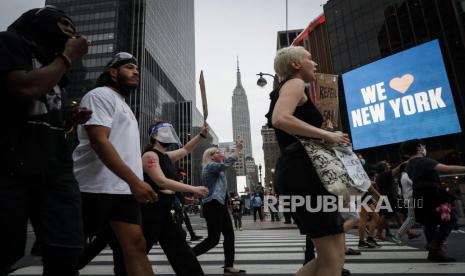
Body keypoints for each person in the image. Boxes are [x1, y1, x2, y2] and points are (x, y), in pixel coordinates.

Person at [0, 6, 90, 276]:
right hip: (9, 164)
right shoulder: (9, 43)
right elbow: (25, 87)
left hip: (54, 167)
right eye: (63, 24)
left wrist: (68, 117)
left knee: (67, 247)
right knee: (6, 247)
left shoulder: (55, 66)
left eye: (73, 26)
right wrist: (68, 56)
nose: (71, 30)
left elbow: (43, 113)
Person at [266, 45, 349, 276]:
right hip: (303, 171)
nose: (315, 63)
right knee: (332, 261)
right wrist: (326, 134)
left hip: (303, 169)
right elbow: (280, 119)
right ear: (295, 65)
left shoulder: (290, 87)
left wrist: (324, 133)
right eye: (310, 59)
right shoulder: (294, 83)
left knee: (334, 256)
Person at [73, 52, 157, 276]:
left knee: (136, 246)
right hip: (92, 187)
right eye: (129, 67)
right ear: (112, 72)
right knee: (67, 253)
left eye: (137, 69)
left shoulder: (123, 104)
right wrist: (135, 182)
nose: (136, 72)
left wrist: (133, 183)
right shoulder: (99, 95)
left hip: (122, 190)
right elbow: (99, 142)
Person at [113, 120, 209, 276]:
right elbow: (161, 181)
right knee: (138, 249)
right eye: (164, 131)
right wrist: (192, 188)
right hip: (150, 209)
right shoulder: (150, 155)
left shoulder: (165, 156)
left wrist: (201, 136)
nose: (168, 133)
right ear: (154, 136)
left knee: (180, 250)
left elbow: (185, 149)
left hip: (167, 210)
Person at [401, 139, 464, 262]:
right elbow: (447, 169)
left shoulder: (409, 165)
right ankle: (436, 244)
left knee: (431, 222)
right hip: (432, 194)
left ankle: (434, 253)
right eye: (423, 146)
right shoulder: (423, 161)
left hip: (419, 195)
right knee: (451, 218)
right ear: (419, 148)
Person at [193, 143, 247, 275]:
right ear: (211, 157)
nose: (220, 153)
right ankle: (186, 256)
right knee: (213, 239)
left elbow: (222, 187)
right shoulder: (210, 166)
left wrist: (227, 201)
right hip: (212, 205)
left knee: (229, 235)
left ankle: (229, 265)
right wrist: (237, 151)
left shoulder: (217, 170)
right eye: (217, 152)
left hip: (220, 205)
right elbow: (224, 165)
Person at [392, 163, 419, 245]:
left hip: (409, 198)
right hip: (411, 198)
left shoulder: (403, 176)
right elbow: (415, 184)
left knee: (412, 218)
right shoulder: (406, 176)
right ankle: (397, 235)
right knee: (411, 218)